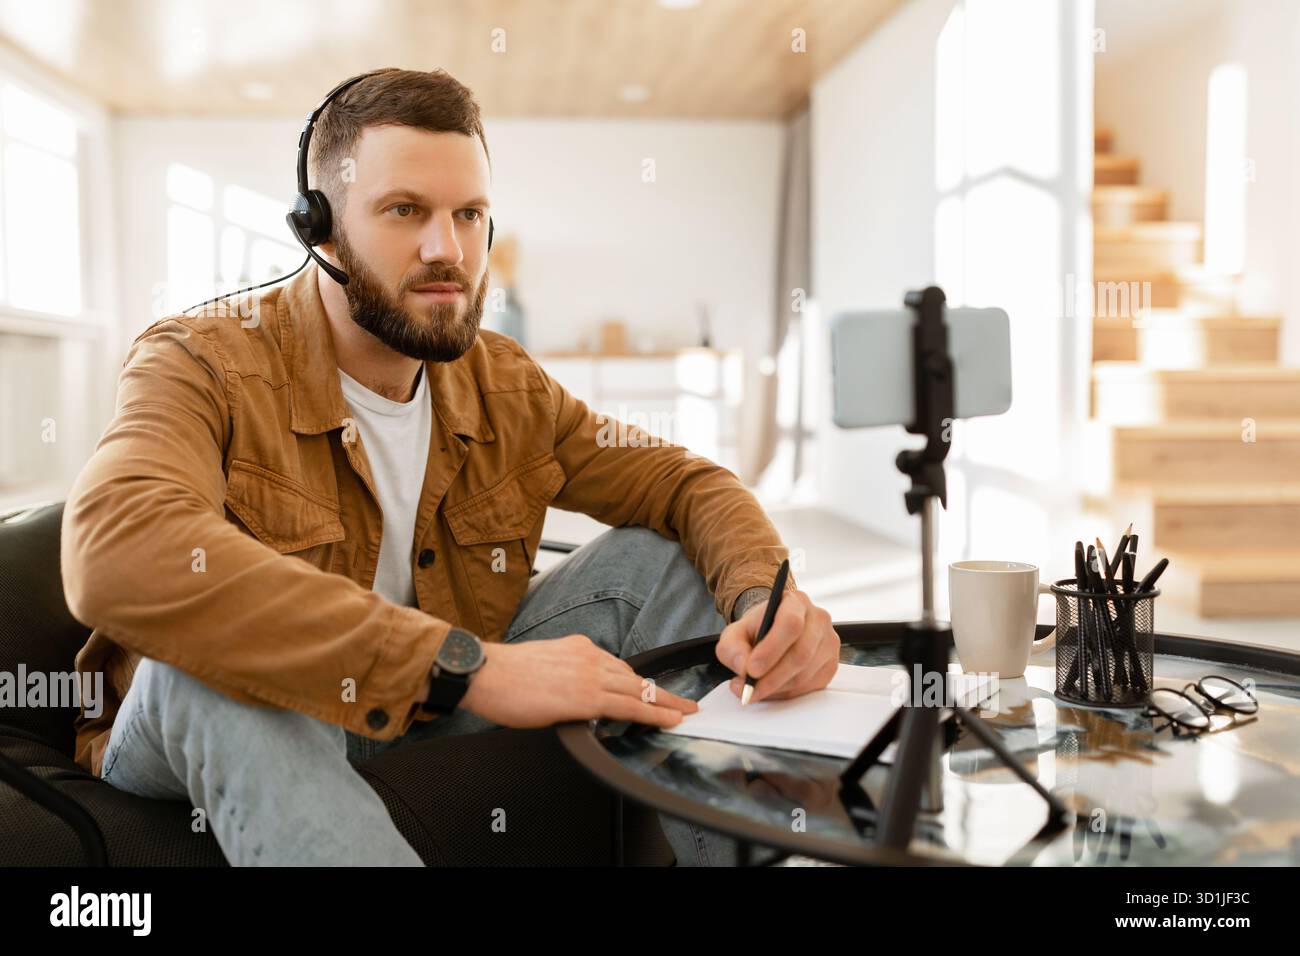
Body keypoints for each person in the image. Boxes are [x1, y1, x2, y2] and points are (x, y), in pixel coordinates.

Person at [60, 67, 840, 866]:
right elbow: (116, 550)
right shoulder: (200, 359)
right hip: (234, 708)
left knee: (662, 558)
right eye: (406, 211)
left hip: (422, 706)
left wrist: (765, 601)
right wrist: (456, 666)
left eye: (469, 215)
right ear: (318, 228)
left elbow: (685, 482)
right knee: (210, 668)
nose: (449, 250)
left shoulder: (504, 383)